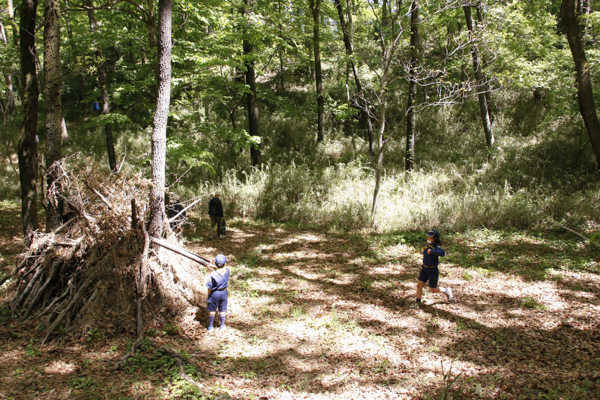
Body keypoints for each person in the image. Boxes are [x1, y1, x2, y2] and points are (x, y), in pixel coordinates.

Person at [410, 229, 453, 309]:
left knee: (432, 289)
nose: (428, 238)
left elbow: (443, 253)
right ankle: (417, 302)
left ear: (435, 238)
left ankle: (446, 290)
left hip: (433, 271)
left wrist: (433, 252)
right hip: (424, 269)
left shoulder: (436, 248)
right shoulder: (427, 245)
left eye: (430, 237)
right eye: (428, 236)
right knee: (419, 285)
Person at [206, 254, 229, 332]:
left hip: (214, 293)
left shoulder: (212, 275)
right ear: (225, 264)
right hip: (224, 292)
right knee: (222, 310)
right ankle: (222, 326)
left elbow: (209, 287)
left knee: (212, 310)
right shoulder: (227, 271)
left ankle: (210, 327)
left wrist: (208, 295)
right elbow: (222, 270)